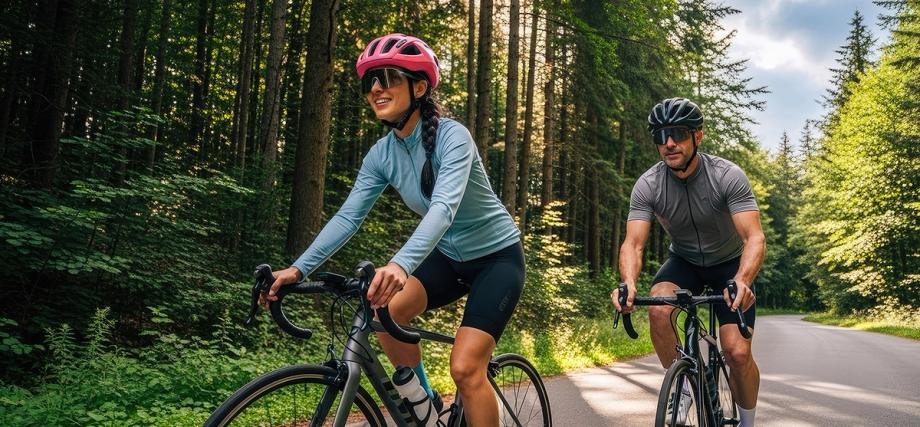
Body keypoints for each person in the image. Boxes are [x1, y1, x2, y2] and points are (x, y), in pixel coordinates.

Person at [265, 33, 524, 427]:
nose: (375, 88)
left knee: (466, 368)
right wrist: (299, 269)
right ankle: (426, 408)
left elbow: (444, 209)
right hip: (449, 257)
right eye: (369, 81)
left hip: (497, 258)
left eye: (387, 77)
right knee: (380, 310)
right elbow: (348, 217)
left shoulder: (454, 138)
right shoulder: (381, 154)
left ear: (419, 87)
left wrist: (400, 265)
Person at [611, 98, 765, 427]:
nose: (668, 143)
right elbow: (634, 243)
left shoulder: (727, 176)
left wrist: (743, 280)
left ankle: (748, 422)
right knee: (658, 309)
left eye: (678, 134)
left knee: (737, 353)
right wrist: (628, 283)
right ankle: (679, 386)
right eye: (660, 135)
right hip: (684, 262)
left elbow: (754, 238)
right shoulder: (648, 185)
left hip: (730, 264)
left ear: (698, 136)